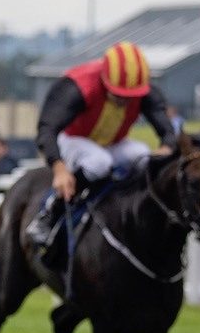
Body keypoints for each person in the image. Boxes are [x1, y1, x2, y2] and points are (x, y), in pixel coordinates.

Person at [25, 40, 177, 258]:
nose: (125, 101)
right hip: (72, 138)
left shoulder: (143, 89)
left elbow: (168, 132)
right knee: (99, 162)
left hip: (112, 142)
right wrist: (59, 168)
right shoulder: (78, 85)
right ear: (105, 81)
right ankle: (50, 212)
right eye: (119, 95)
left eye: (130, 97)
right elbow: (47, 129)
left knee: (143, 156)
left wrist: (166, 148)